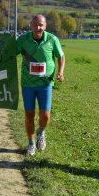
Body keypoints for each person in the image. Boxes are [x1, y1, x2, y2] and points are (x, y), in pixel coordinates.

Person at [16, 14, 65, 156]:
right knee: (29, 114)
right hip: (28, 84)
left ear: (45, 26)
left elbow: (61, 56)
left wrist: (60, 72)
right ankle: (31, 144)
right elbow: (10, 52)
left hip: (45, 83)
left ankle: (41, 132)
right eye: (35, 25)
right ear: (30, 25)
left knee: (45, 115)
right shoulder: (23, 39)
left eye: (41, 25)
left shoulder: (52, 39)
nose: (38, 28)